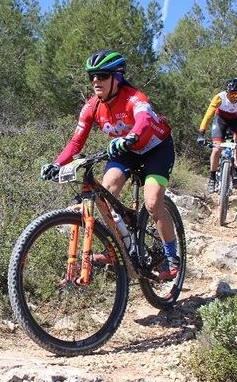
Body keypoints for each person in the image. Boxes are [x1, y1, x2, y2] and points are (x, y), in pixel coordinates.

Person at [40, 49, 179, 280]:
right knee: (105, 193)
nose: (96, 81)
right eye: (92, 76)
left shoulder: (135, 97)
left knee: (153, 202)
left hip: (156, 149)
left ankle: (171, 256)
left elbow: (143, 120)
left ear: (118, 77)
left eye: (102, 75)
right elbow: (76, 142)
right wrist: (56, 164)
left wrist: (131, 136)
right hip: (126, 151)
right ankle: (115, 246)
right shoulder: (92, 107)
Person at [197, 78, 237, 192]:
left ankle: (236, 174)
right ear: (226, 92)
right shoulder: (219, 98)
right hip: (220, 120)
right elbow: (207, 117)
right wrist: (201, 133)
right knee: (216, 149)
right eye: (230, 95)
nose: (232, 97)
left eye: (235, 95)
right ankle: (212, 178)